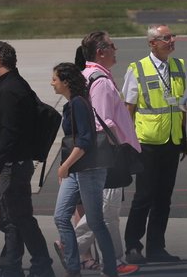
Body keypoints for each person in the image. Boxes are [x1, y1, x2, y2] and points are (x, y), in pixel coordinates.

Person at [0, 41, 57, 277]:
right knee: (12, 219)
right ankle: (11, 267)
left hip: (11, 165)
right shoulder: (10, 84)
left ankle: (41, 265)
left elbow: (11, 131)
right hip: (13, 162)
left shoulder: (10, 88)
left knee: (20, 218)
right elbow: (12, 124)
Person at [72, 33, 141, 276]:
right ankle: (73, 246)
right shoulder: (99, 81)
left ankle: (116, 261)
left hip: (103, 155)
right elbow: (101, 123)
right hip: (108, 155)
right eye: (112, 45)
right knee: (103, 209)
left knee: (109, 213)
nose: (116, 48)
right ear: (101, 52)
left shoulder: (91, 76)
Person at [122, 25, 187, 264]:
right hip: (147, 143)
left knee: (163, 198)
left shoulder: (178, 66)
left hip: (171, 141)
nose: (172, 41)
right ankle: (132, 246)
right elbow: (129, 108)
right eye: (166, 38)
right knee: (144, 196)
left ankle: (157, 247)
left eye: (172, 36)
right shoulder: (137, 69)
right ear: (152, 43)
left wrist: (183, 138)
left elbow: (182, 104)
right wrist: (128, 143)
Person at [51, 63, 118, 277]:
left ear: (66, 82)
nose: (52, 82)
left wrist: (64, 166)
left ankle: (110, 269)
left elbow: (85, 142)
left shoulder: (78, 103)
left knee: (96, 221)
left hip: (88, 168)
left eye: (55, 79)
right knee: (61, 216)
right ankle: (73, 267)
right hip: (77, 168)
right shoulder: (72, 103)